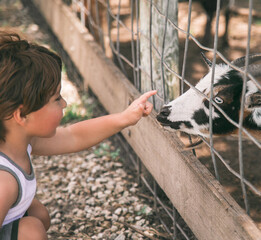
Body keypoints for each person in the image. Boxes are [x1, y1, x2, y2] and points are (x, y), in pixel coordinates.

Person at [0, 31, 157, 240]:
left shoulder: (20, 141)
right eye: (57, 99)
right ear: (22, 115)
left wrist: (125, 118)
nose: (64, 103)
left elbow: (74, 136)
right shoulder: (5, 182)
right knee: (31, 231)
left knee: (39, 215)